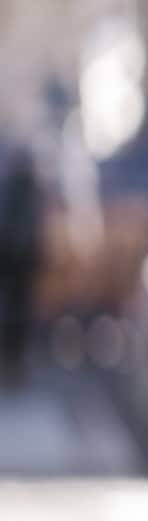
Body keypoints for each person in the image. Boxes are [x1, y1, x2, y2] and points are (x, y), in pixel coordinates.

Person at [0, 138, 42, 385]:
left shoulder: (16, 181)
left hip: (16, 254)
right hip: (19, 255)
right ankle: (12, 361)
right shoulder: (24, 183)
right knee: (18, 311)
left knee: (17, 311)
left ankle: (12, 361)